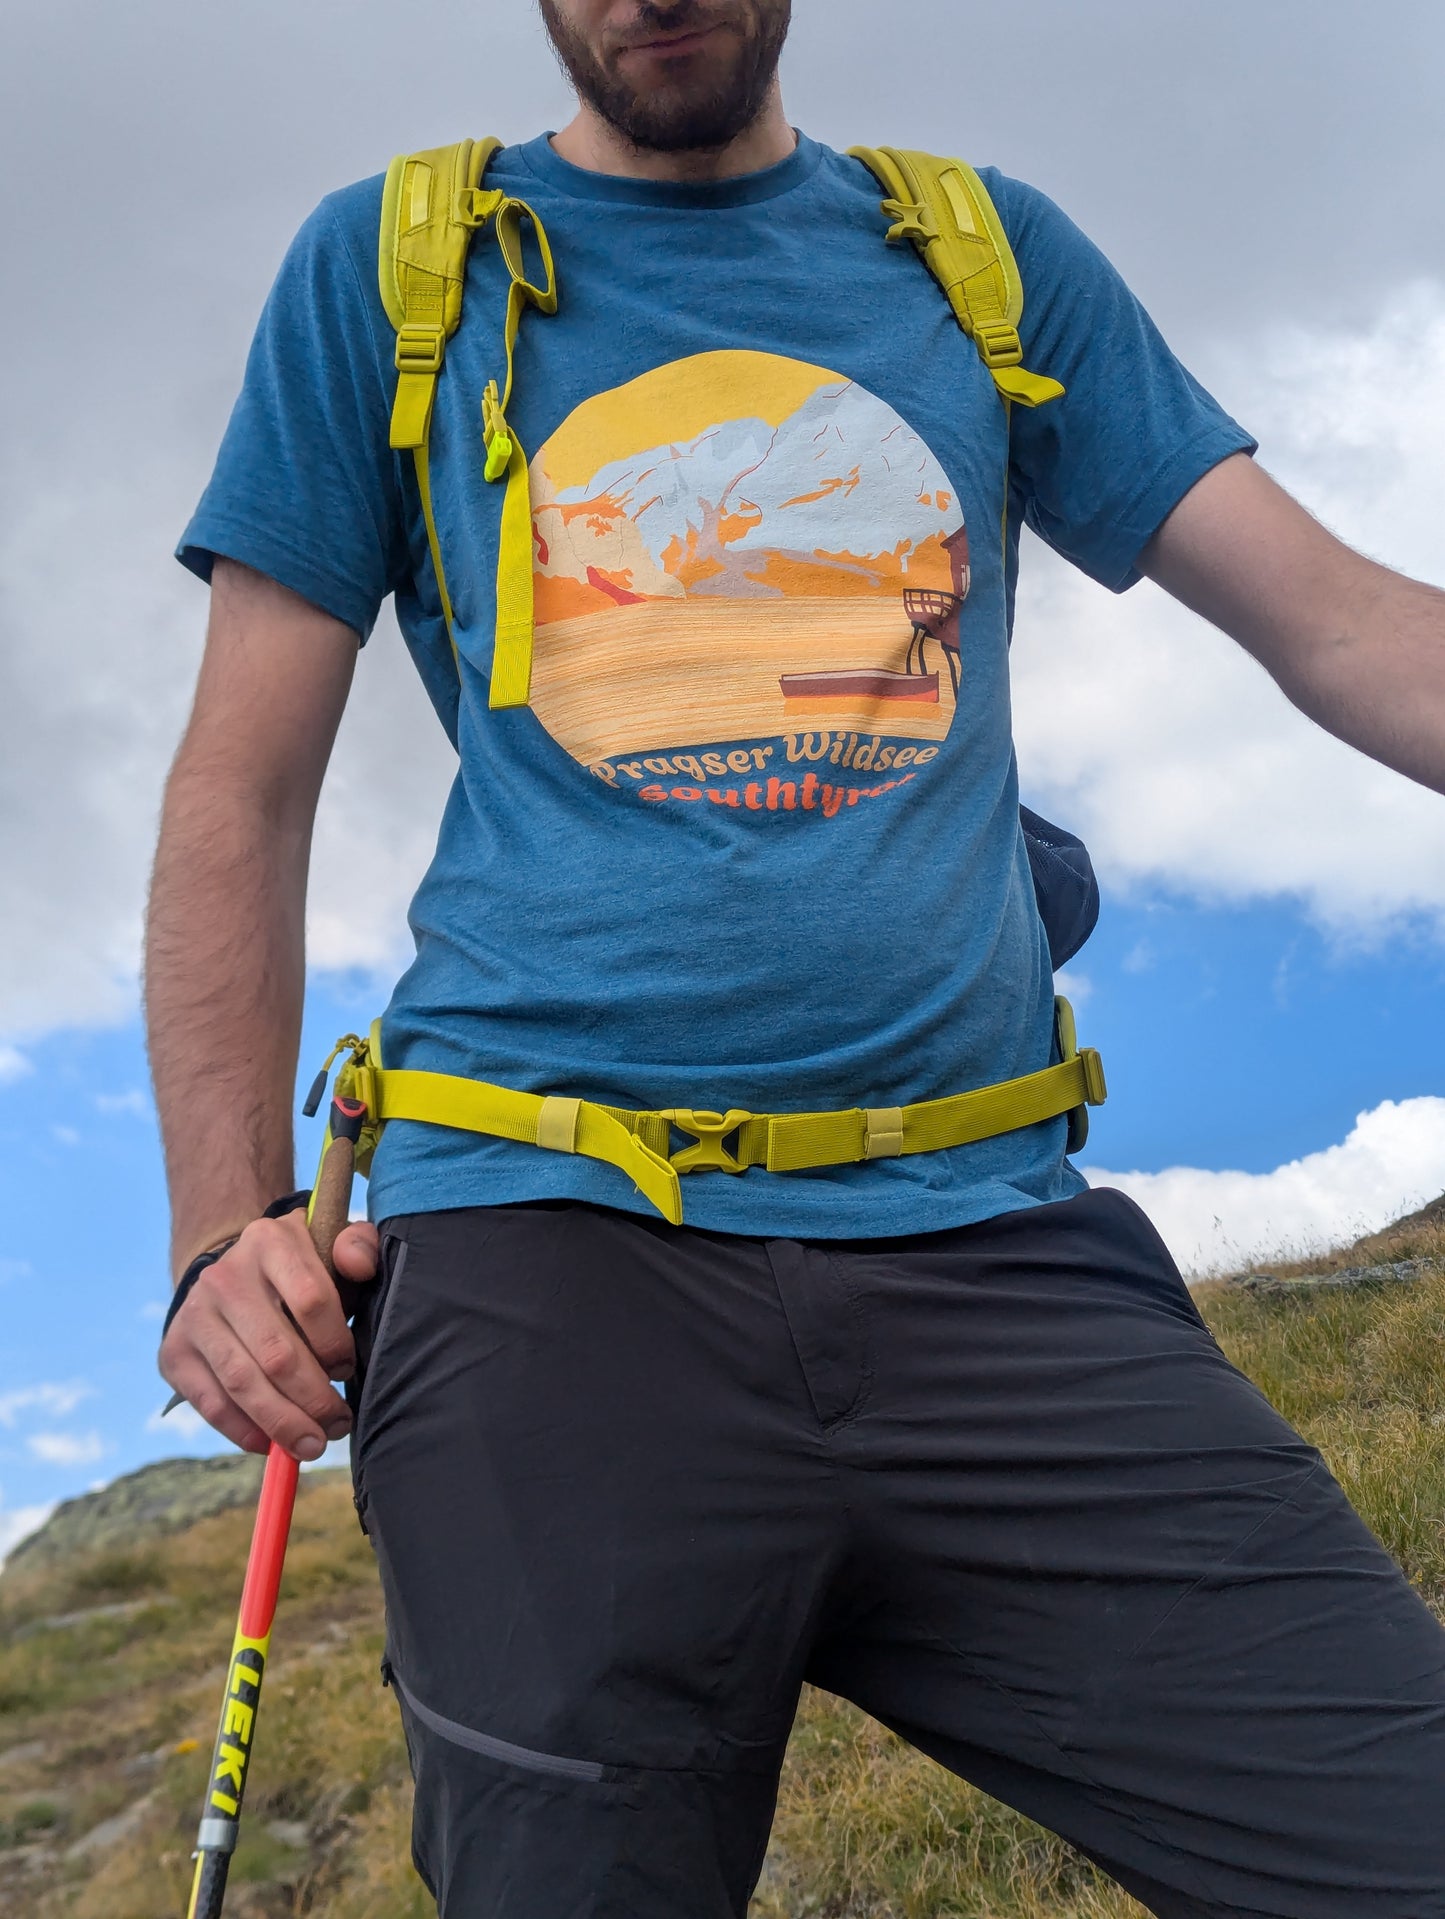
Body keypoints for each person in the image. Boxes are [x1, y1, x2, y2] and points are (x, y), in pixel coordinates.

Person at [150, 3, 1445, 1914]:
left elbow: (1340, 624)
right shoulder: (393, 265)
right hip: (543, 1261)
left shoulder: (978, 255)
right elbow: (240, 787)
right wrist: (219, 1227)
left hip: (991, 1246)